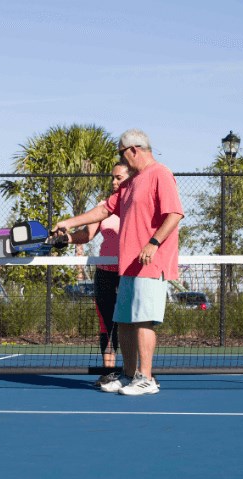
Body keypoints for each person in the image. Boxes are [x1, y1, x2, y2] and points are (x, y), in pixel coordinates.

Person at [53, 129, 184, 396]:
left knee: (143, 321)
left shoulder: (160, 173)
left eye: (121, 154)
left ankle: (145, 378)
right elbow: (103, 210)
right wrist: (68, 222)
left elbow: (175, 214)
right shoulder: (130, 183)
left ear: (134, 150)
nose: (121, 159)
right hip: (128, 265)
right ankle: (128, 376)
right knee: (124, 321)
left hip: (150, 262)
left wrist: (153, 243)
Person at [62, 161, 132, 386]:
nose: (113, 181)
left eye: (118, 178)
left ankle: (137, 372)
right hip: (104, 272)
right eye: (112, 177)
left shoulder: (137, 205)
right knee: (107, 324)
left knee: (132, 323)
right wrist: (68, 238)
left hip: (129, 272)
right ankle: (109, 371)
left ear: (130, 178)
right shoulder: (104, 206)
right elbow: (88, 234)